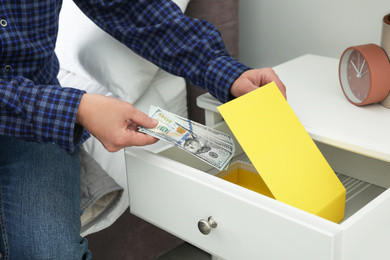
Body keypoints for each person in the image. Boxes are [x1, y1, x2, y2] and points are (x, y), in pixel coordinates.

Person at [0, 0, 286, 259]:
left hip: (36, 125)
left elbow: (129, 8)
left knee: (51, 253)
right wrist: (77, 109)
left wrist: (223, 69)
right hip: (48, 110)